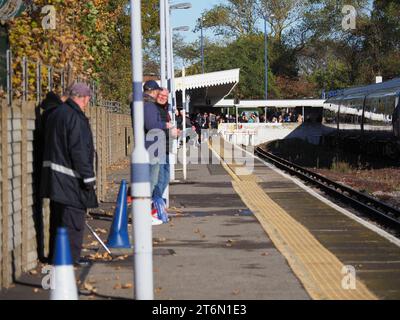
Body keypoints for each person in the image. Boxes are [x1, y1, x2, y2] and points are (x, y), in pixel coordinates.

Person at [40, 83, 98, 267]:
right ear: (84, 97)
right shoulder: (75, 117)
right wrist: (88, 177)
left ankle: (56, 256)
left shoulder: (55, 114)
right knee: (73, 221)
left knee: (57, 220)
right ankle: (70, 258)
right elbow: (79, 149)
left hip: (55, 177)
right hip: (71, 179)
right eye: (88, 98)